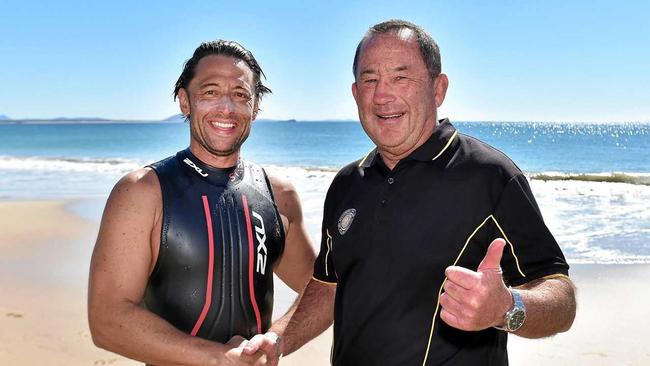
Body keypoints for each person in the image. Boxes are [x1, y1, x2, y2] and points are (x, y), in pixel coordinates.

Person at [244, 19, 577, 365]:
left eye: (400, 78)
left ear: (438, 89)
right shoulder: (347, 184)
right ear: (356, 94)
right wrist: (276, 339)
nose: (382, 95)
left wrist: (507, 308)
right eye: (370, 80)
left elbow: (560, 296)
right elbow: (328, 287)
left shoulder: (491, 175)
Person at [88, 40, 315, 366]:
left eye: (240, 95)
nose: (226, 107)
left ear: (256, 107)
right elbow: (107, 321)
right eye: (210, 92)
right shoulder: (142, 193)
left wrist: (276, 340)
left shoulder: (278, 196)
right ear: (184, 102)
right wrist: (219, 358)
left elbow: (321, 287)